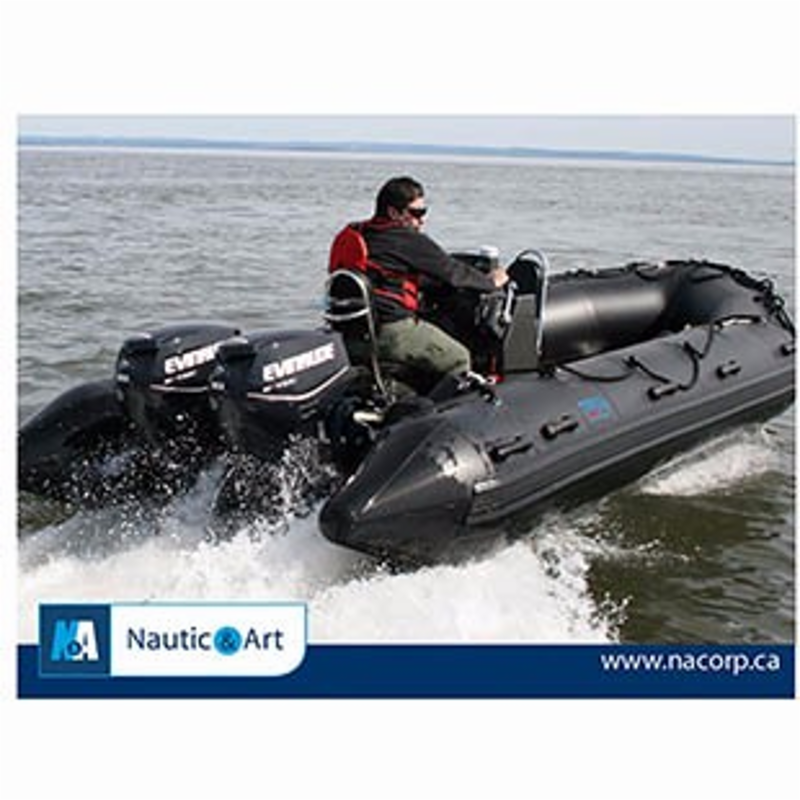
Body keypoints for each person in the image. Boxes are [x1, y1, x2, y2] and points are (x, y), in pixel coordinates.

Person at [328, 176, 508, 388]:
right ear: (394, 213)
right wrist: (491, 282)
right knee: (458, 357)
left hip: (351, 334)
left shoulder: (359, 232)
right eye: (416, 213)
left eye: (424, 212)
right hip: (389, 331)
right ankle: (449, 407)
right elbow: (452, 272)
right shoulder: (404, 239)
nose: (422, 220)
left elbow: (386, 276)